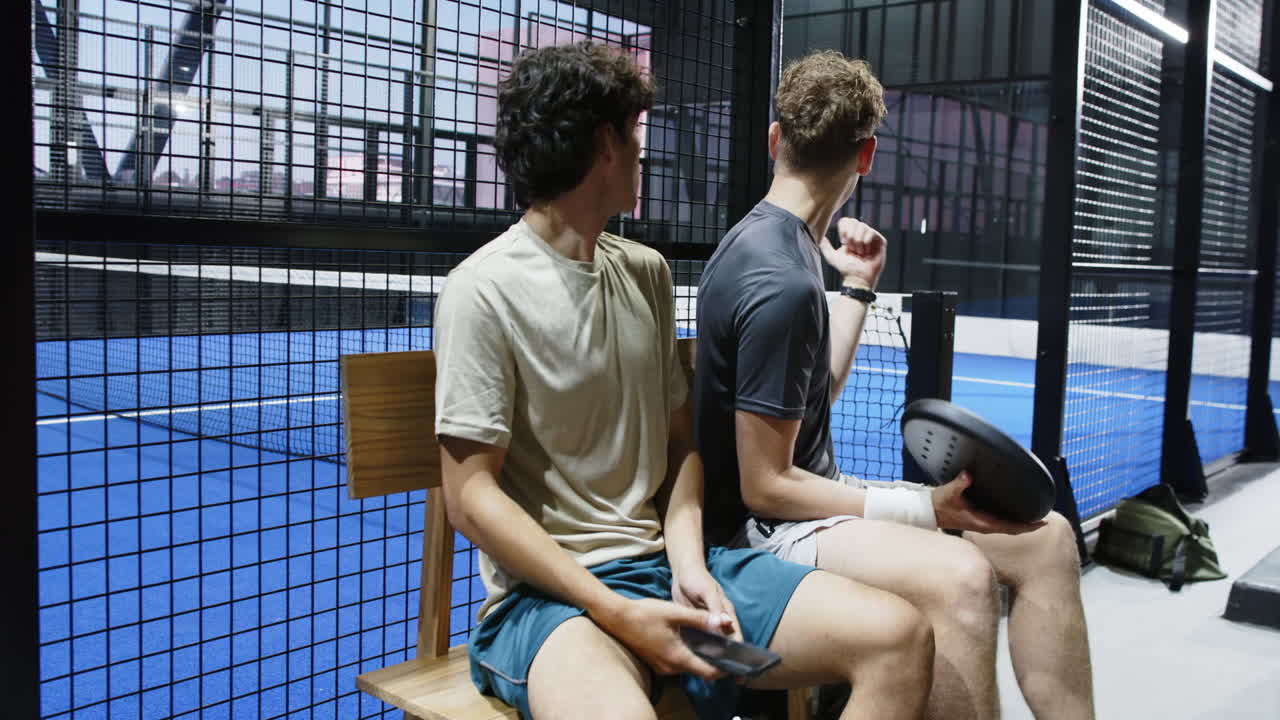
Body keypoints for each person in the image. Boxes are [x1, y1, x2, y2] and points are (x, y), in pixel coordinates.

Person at [434, 41, 934, 720]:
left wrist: (691, 566)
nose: (645, 151)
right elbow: (469, 498)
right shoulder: (480, 291)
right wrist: (614, 609)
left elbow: (682, 453)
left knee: (899, 637)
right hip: (551, 604)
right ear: (605, 144)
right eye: (636, 133)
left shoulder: (646, 272)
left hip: (668, 566)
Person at [692, 50, 1096, 720]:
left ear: (775, 138)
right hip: (758, 533)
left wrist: (856, 285)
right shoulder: (779, 276)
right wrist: (924, 510)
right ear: (867, 157)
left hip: (808, 504)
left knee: (1046, 538)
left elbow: (812, 398)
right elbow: (765, 485)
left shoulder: (789, 250)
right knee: (959, 578)